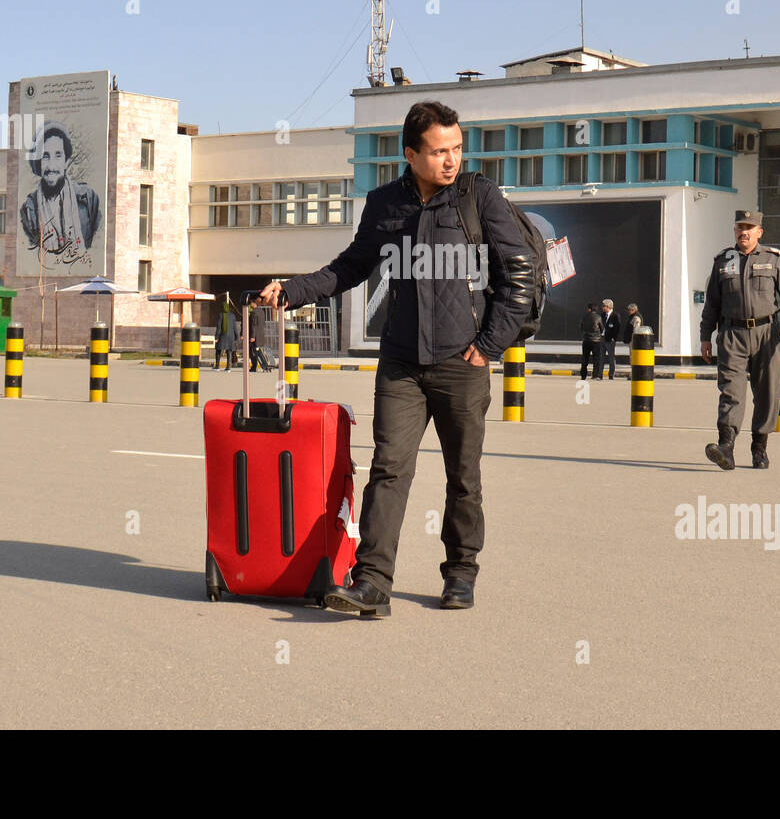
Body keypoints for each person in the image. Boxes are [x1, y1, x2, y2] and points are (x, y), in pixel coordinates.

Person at [255, 100, 533, 617]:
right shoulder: (385, 204)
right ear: (410, 153)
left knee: (463, 475)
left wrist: (488, 348)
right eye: (438, 151)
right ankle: (372, 583)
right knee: (388, 469)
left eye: (456, 148)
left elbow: (519, 276)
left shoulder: (480, 197)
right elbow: (350, 268)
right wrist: (293, 290)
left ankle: (461, 573)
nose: (450, 160)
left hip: (461, 363)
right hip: (401, 364)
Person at [699, 209, 780, 470]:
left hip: (768, 334)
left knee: (768, 393)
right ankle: (726, 447)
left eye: (749, 228)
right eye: (739, 227)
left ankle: (759, 448)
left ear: (759, 232)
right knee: (731, 391)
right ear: (735, 231)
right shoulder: (723, 260)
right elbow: (711, 303)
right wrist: (705, 335)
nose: (743, 232)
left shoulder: (774, 259)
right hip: (732, 334)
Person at [19, 122, 102, 266]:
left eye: (58, 155)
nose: (51, 166)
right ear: (38, 163)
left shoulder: (88, 199)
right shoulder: (28, 210)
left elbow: (97, 241)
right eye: (45, 156)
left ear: (66, 161)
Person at [579, 303, 603, 380]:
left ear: (589, 309)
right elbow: (602, 328)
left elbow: (581, 327)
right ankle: (595, 375)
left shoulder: (584, 317)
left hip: (586, 340)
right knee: (596, 359)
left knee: (585, 358)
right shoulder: (598, 317)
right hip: (596, 341)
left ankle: (583, 375)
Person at [213, 293, 237, 370]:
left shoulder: (221, 315)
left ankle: (217, 366)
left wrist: (216, 337)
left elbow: (219, 327)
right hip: (231, 336)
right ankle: (228, 367)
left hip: (223, 335)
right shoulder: (233, 316)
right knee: (229, 351)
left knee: (218, 350)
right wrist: (236, 337)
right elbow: (235, 327)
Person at [599, 298, 620, 379]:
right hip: (602, 338)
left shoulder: (615, 316)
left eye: (604, 306)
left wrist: (614, 338)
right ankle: (600, 374)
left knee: (611, 357)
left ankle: (611, 375)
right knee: (601, 357)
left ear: (608, 307)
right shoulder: (602, 315)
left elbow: (617, 328)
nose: (603, 308)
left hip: (610, 339)